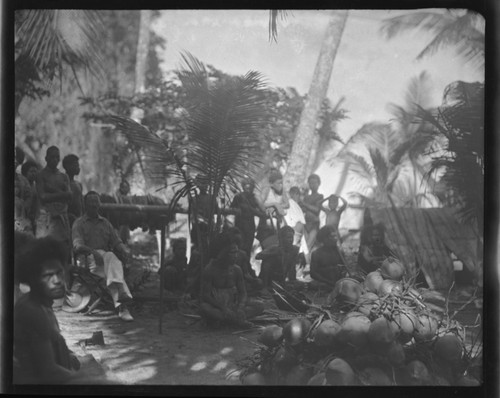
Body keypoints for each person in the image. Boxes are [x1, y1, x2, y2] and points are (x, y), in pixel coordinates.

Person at [13, 237, 83, 383]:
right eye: (48, 275)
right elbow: (50, 373)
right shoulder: (31, 311)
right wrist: (94, 381)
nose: (57, 280)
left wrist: (68, 355)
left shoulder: (44, 305)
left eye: (59, 272)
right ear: (33, 279)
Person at [72, 191, 134, 322]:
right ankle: (123, 302)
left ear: (99, 204)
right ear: (85, 205)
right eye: (91, 202)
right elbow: (77, 246)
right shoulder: (79, 223)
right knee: (111, 259)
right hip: (88, 259)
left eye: (96, 202)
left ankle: (122, 306)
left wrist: (125, 250)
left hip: (105, 261)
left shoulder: (105, 223)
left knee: (110, 258)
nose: (94, 205)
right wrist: (94, 253)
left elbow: (116, 241)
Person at [199, 238, 264, 328]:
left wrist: (240, 307)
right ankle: (237, 320)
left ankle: (230, 320)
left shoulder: (236, 270)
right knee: (204, 308)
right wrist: (223, 308)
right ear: (222, 253)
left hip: (234, 306)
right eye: (232, 252)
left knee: (260, 305)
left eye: (237, 252)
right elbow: (206, 296)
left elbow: (243, 292)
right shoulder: (210, 270)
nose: (236, 256)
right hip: (218, 307)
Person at [35, 146, 72, 264]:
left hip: (61, 219)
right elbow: (43, 197)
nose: (55, 160)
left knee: (63, 255)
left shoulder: (63, 176)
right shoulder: (41, 175)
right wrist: (62, 194)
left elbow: (70, 196)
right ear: (46, 158)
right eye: (52, 157)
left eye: (57, 157)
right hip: (46, 219)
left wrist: (52, 191)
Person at [230, 177, 267, 257]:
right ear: (243, 187)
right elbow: (231, 209)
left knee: (248, 247)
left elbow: (263, 211)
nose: (249, 189)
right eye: (246, 187)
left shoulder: (254, 198)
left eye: (251, 187)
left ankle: (246, 264)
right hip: (239, 225)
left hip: (250, 225)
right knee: (239, 246)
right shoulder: (238, 196)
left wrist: (251, 209)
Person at [256, 169, 290, 245]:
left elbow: (287, 204)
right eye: (278, 183)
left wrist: (277, 206)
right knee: (267, 242)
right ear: (271, 184)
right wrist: (274, 204)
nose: (281, 185)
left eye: (282, 183)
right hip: (267, 220)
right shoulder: (267, 189)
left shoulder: (282, 191)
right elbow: (261, 204)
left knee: (281, 240)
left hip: (279, 219)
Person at [299, 174, 324, 256]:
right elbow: (304, 210)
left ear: (319, 184)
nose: (312, 185)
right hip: (306, 224)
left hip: (314, 224)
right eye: (310, 183)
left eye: (314, 183)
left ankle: (303, 262)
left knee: (308, 246)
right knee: (304, 245)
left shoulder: (320, 196)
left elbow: (317, 210)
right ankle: (304, 263)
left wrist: (304, 204)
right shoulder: (306, 197)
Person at [62, 154, 84, 227]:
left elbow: (81, 202)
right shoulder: (62, 183)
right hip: (67, 219)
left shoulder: (78, 184)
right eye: (76, 165)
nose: (78, 168)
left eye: (78, 165)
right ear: (68, 166)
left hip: (79, 219)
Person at [15, 147, 34, 234]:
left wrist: (23, 209)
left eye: (17, 158)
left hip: (21, 220)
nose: (14, 161)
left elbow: (29, 197)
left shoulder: (23, 180)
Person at [21, 160, 40, 234]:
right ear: (25, 172)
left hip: (33, 218)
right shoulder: (22, 185)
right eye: (31, 171)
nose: (34, 174)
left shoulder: (36, 187)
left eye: (35, 171)